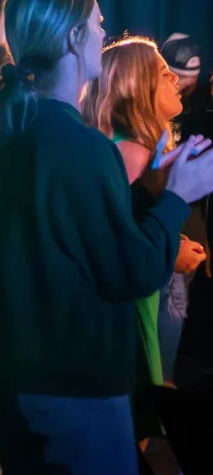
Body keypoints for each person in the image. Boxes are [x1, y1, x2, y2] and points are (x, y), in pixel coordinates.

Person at [0, 0, 213, 475]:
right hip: (73, 393)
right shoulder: (75, 144)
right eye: (98, 21)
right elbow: (131, 271)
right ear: (75, 36)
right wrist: (178, 192)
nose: (104, 31)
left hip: (21, 383)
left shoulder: (14, 129)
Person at [84, 37, 206, 393]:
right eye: (163, 72)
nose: (174, 79)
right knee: (145, 402)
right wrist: (172, 257)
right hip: (136, 304)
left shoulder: (139, 147)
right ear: (137, 88)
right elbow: (119, 245)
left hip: (147, 294)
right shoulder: (132, 154)